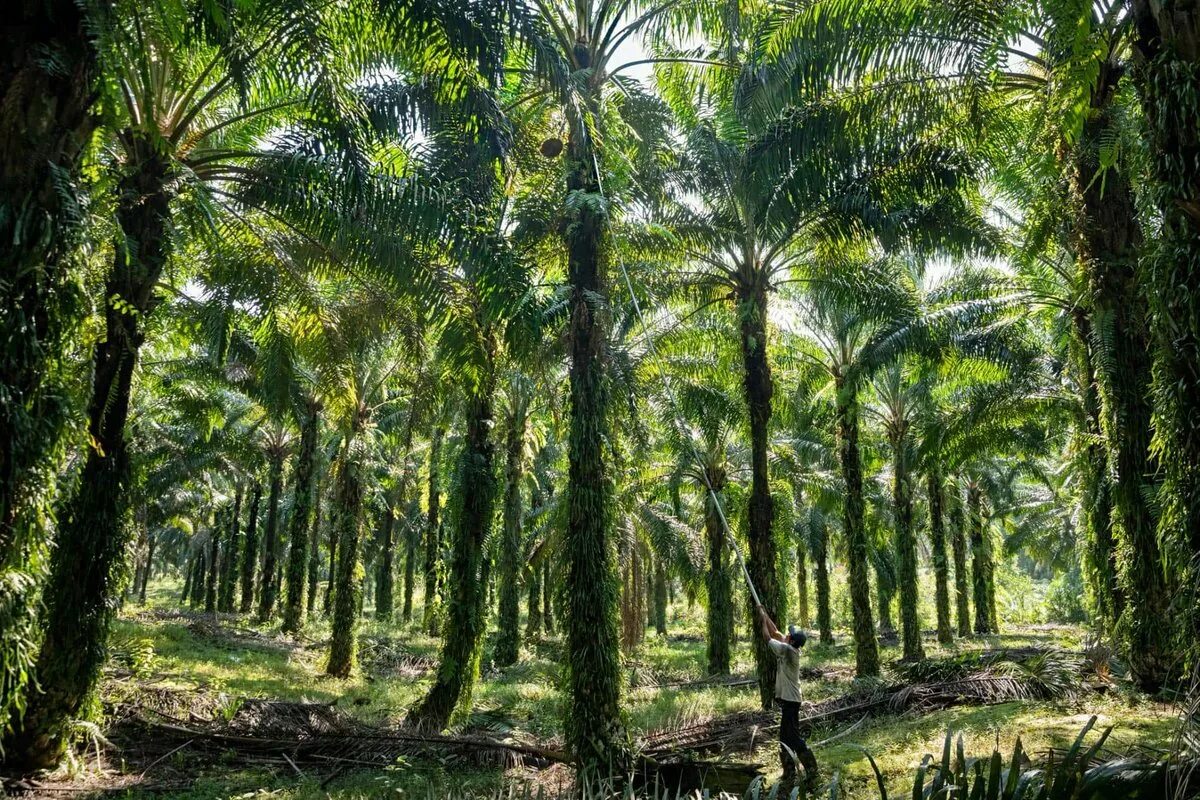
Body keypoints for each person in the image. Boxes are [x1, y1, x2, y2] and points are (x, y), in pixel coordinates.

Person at [757, 603, 819, 791]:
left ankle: (811, 769)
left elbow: (767, 637)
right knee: (785, 737)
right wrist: (765, 613)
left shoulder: (787, 651)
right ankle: (789, 772)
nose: (787, 634)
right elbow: (775, 632)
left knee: (792, 737)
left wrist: (761, 620)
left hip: (791, 701)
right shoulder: (791, 646)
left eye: (789, 635)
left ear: (791, 641)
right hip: (790, 700)